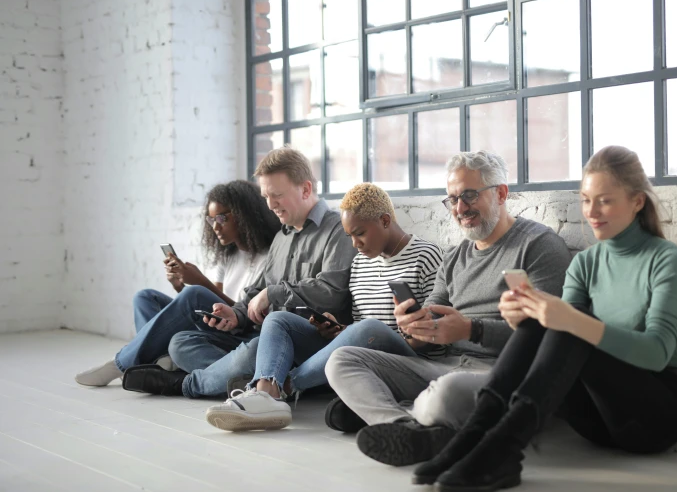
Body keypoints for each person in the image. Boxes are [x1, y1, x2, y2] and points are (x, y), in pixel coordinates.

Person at [411, 145, 677, 492]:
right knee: (544, 318)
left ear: (637, 201)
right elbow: (557, 346)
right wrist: (525, 320)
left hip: (654, 417)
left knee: (568, 318)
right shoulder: (585, 262)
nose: (592, 212)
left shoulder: (666, 259)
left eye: (604, 200)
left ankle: (501, 448)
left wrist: (570, 320)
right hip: (595, 422)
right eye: (586, 200)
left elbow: (656, 354)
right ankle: (474, 435)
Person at [324, 151, 572, 466]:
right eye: (452, 199)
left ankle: (395, 414)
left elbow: (550, 338)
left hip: (503, 374)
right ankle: (407, 429)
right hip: (448, 367)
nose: (459, 208)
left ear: (501, 193)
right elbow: (428, 331)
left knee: (446, 393)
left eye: (469, 196)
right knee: (342, 360)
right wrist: (412, 325)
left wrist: (473, 330)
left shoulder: (538, 246)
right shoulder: (455, 258)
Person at [204, 183, 445, 431]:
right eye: (349, 235)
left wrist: (410, 329)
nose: (355, 244)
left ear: (385, 221)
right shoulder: (362, 263)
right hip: (357, 354)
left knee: (368, 328)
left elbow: (437, 340)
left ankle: (285, 386)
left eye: (359, 233)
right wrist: (339, 330)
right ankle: (266, 393)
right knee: (278, 320)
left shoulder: (426, 256)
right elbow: (357, 327)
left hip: (407, 359)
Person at [119, 147, 357, 399]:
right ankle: (258, 379)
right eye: (266, 196)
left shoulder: (337, 230)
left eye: (277, 195)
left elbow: (331, 293)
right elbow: (254, 291)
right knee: (181, 342)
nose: (270, 204)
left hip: (307, 339)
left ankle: (187, 384)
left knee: (255, 349)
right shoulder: (281, 237)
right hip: (264, 335)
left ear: (306, 189)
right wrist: (236, 315)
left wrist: (272, 293)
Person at [75, 180, 280, 387]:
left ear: (245, 214)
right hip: (217, 324)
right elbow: (216, 306)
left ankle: (122, 364)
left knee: (195, 295)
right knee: (146, 298)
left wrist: (199, 282)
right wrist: (180, 287)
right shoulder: (228, 256)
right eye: (210, 220)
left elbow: (241, 313)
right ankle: (159, 361)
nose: (215, 226)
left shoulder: (270, 257)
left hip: (242, 330)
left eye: (221, 218)